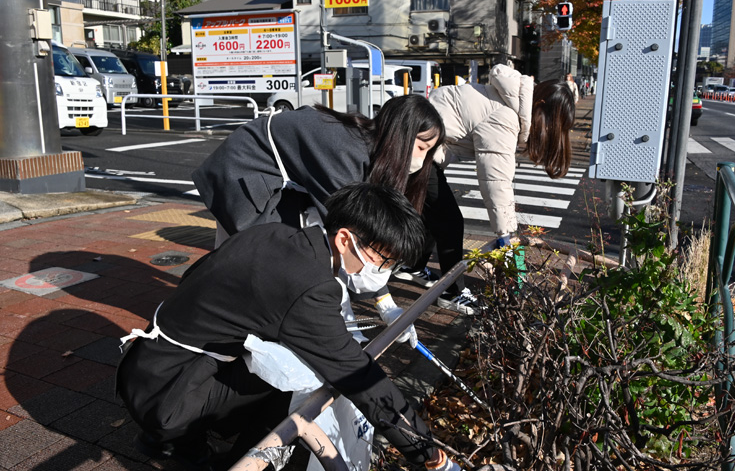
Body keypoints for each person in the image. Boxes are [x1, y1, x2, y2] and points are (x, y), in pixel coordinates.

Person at [116, 183, 462, 471]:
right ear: (344, 239)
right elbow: (360, 378)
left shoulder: (278, 235)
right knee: (302, 380)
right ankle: (231, 460)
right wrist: (432, 457)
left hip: (147, 365)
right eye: (383, 260)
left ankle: (178, 442)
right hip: (169, 393)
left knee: (286, 362)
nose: (384, 270)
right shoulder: (309, 286)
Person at [396, 64, 575, 314]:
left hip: (418, 146)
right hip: (415, 151)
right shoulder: (506, 117)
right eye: (552, 123)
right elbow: (496, 184)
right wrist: (508, 238)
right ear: (541, 105)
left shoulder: (508, 100)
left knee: (434, 216)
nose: (547, 131)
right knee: (450, 223)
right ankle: (452, 293)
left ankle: (412, 266)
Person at [192, 95, 445, 245]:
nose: (421, 160)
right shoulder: (346, 150)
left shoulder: (365, 142)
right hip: (242, 173)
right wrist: (380, 297)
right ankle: (194, 321)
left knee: (269, 252)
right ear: (401, 134)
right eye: (421, 147)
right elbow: (344, 228)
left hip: (271, 180)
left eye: (428, 151)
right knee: (249, 256)